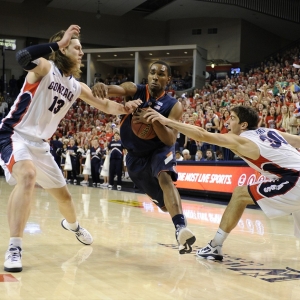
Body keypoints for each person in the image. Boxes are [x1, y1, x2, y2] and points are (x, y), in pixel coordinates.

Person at [0, 24, 141, 272]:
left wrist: (125, 108)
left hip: (40, 145)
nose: (81, 52)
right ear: (63, 49)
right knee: (28, 176)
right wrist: (58, 43)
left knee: (64, 197)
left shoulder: (76, 86)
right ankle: (15, 247)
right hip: (15, 134)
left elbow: (107, 105)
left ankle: (73, 226)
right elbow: (22, 57)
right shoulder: (45, 68)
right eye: (76, 47)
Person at [144, 105, 300, 261]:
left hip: (295, 179)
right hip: (293, 176)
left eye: (232, 119)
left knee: (240, 194)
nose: (227, 123)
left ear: (243, 125)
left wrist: (167, 121)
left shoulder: (241, 140)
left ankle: (215, 246)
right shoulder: (271, 132)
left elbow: (202, 134)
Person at [92, 60, 196, 254]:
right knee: (164, 206)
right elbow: (120, 89)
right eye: (153, 72)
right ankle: (176, 216)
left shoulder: (174, 105)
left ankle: (180, 227)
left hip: (158, 149)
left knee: (165, 177)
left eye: (161, 74)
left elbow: (170, 139)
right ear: (148, 76)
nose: (156, 76)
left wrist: (154, 119)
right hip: (134, 157)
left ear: (168, 79)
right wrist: (104, 87)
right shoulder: (136, 90)